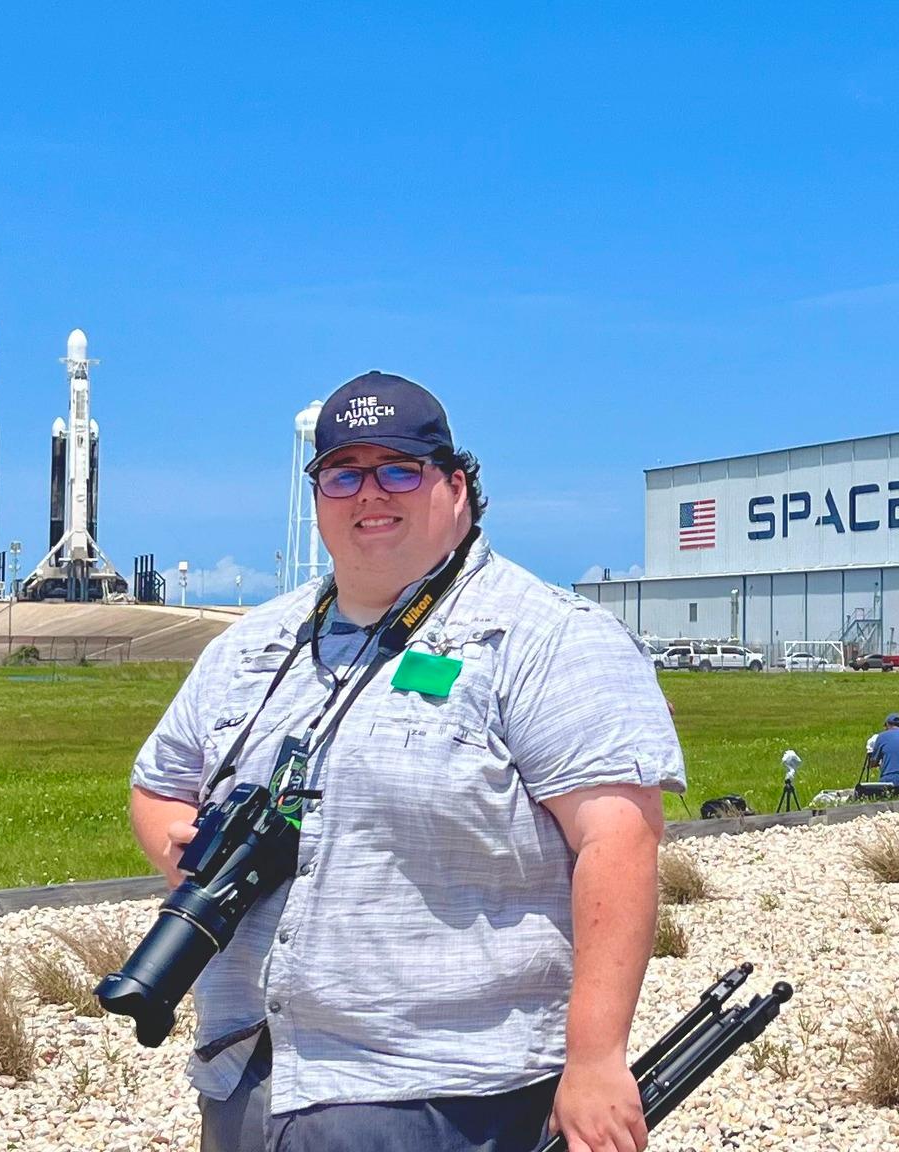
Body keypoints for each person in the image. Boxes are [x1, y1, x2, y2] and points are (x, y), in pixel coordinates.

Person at [128, 371, 683, 1152]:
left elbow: (619, 840)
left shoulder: (551, 639)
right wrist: (187, 854)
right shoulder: (252, 645)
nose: (369, 495)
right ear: (317, 493)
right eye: (343, 473)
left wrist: (594, 1060)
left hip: (444, 1092)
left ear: (456, 486)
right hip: (250, 1074)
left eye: (399, 469)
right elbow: (159, 784)